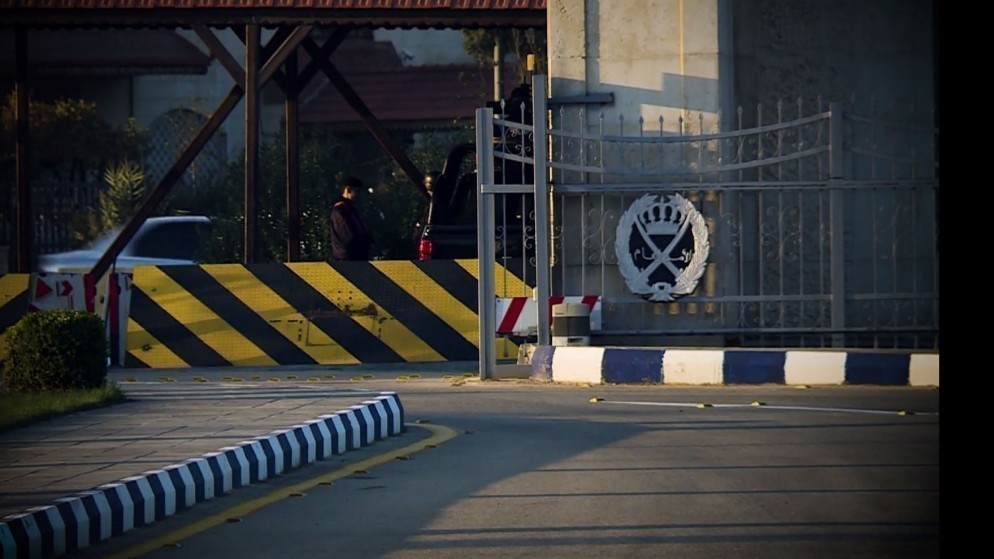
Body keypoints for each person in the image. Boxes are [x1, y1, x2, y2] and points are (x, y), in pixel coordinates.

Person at [329, 176, 374, 261]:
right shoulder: (340, 211)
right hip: (347, 259)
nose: (359, 196)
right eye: (357, 192)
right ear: (349, 190)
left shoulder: (350, 210)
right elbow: (348, 237)